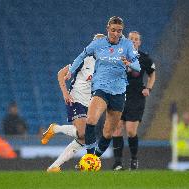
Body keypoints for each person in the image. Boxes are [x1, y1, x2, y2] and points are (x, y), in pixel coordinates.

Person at [64, 16, 140, 162]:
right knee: (91, 120)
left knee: (108, 133)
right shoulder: (98, 44)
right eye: (113, 30)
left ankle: (93, 159)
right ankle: (89, 157)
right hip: (101, 89)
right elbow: (81, 56)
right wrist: (71, 71)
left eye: (119, 31)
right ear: (107, 29)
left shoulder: (127, 45)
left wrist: (129, 62)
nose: (116, 33)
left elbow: (137, 67)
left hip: (118, 92)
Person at [41, 34, 106, 172]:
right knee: (83, 133)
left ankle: (53, 167)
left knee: (82, 138)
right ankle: (56, 130)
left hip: (91, 104)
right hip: (76, 99)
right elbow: (60, 73)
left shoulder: (105, 65)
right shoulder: (84, 60)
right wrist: (65, 93)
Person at [112, 31, 156, 170]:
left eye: (136, 39)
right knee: (117, 129)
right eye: (131, 39)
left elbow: (152, 74)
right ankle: (118, 163)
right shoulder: (119, 55)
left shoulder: (145, 58)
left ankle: (134, 159)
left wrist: (148, 88)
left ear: (140, 42)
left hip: (136, 98)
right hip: (119, 96)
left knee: (131, 131)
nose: (134, 41)